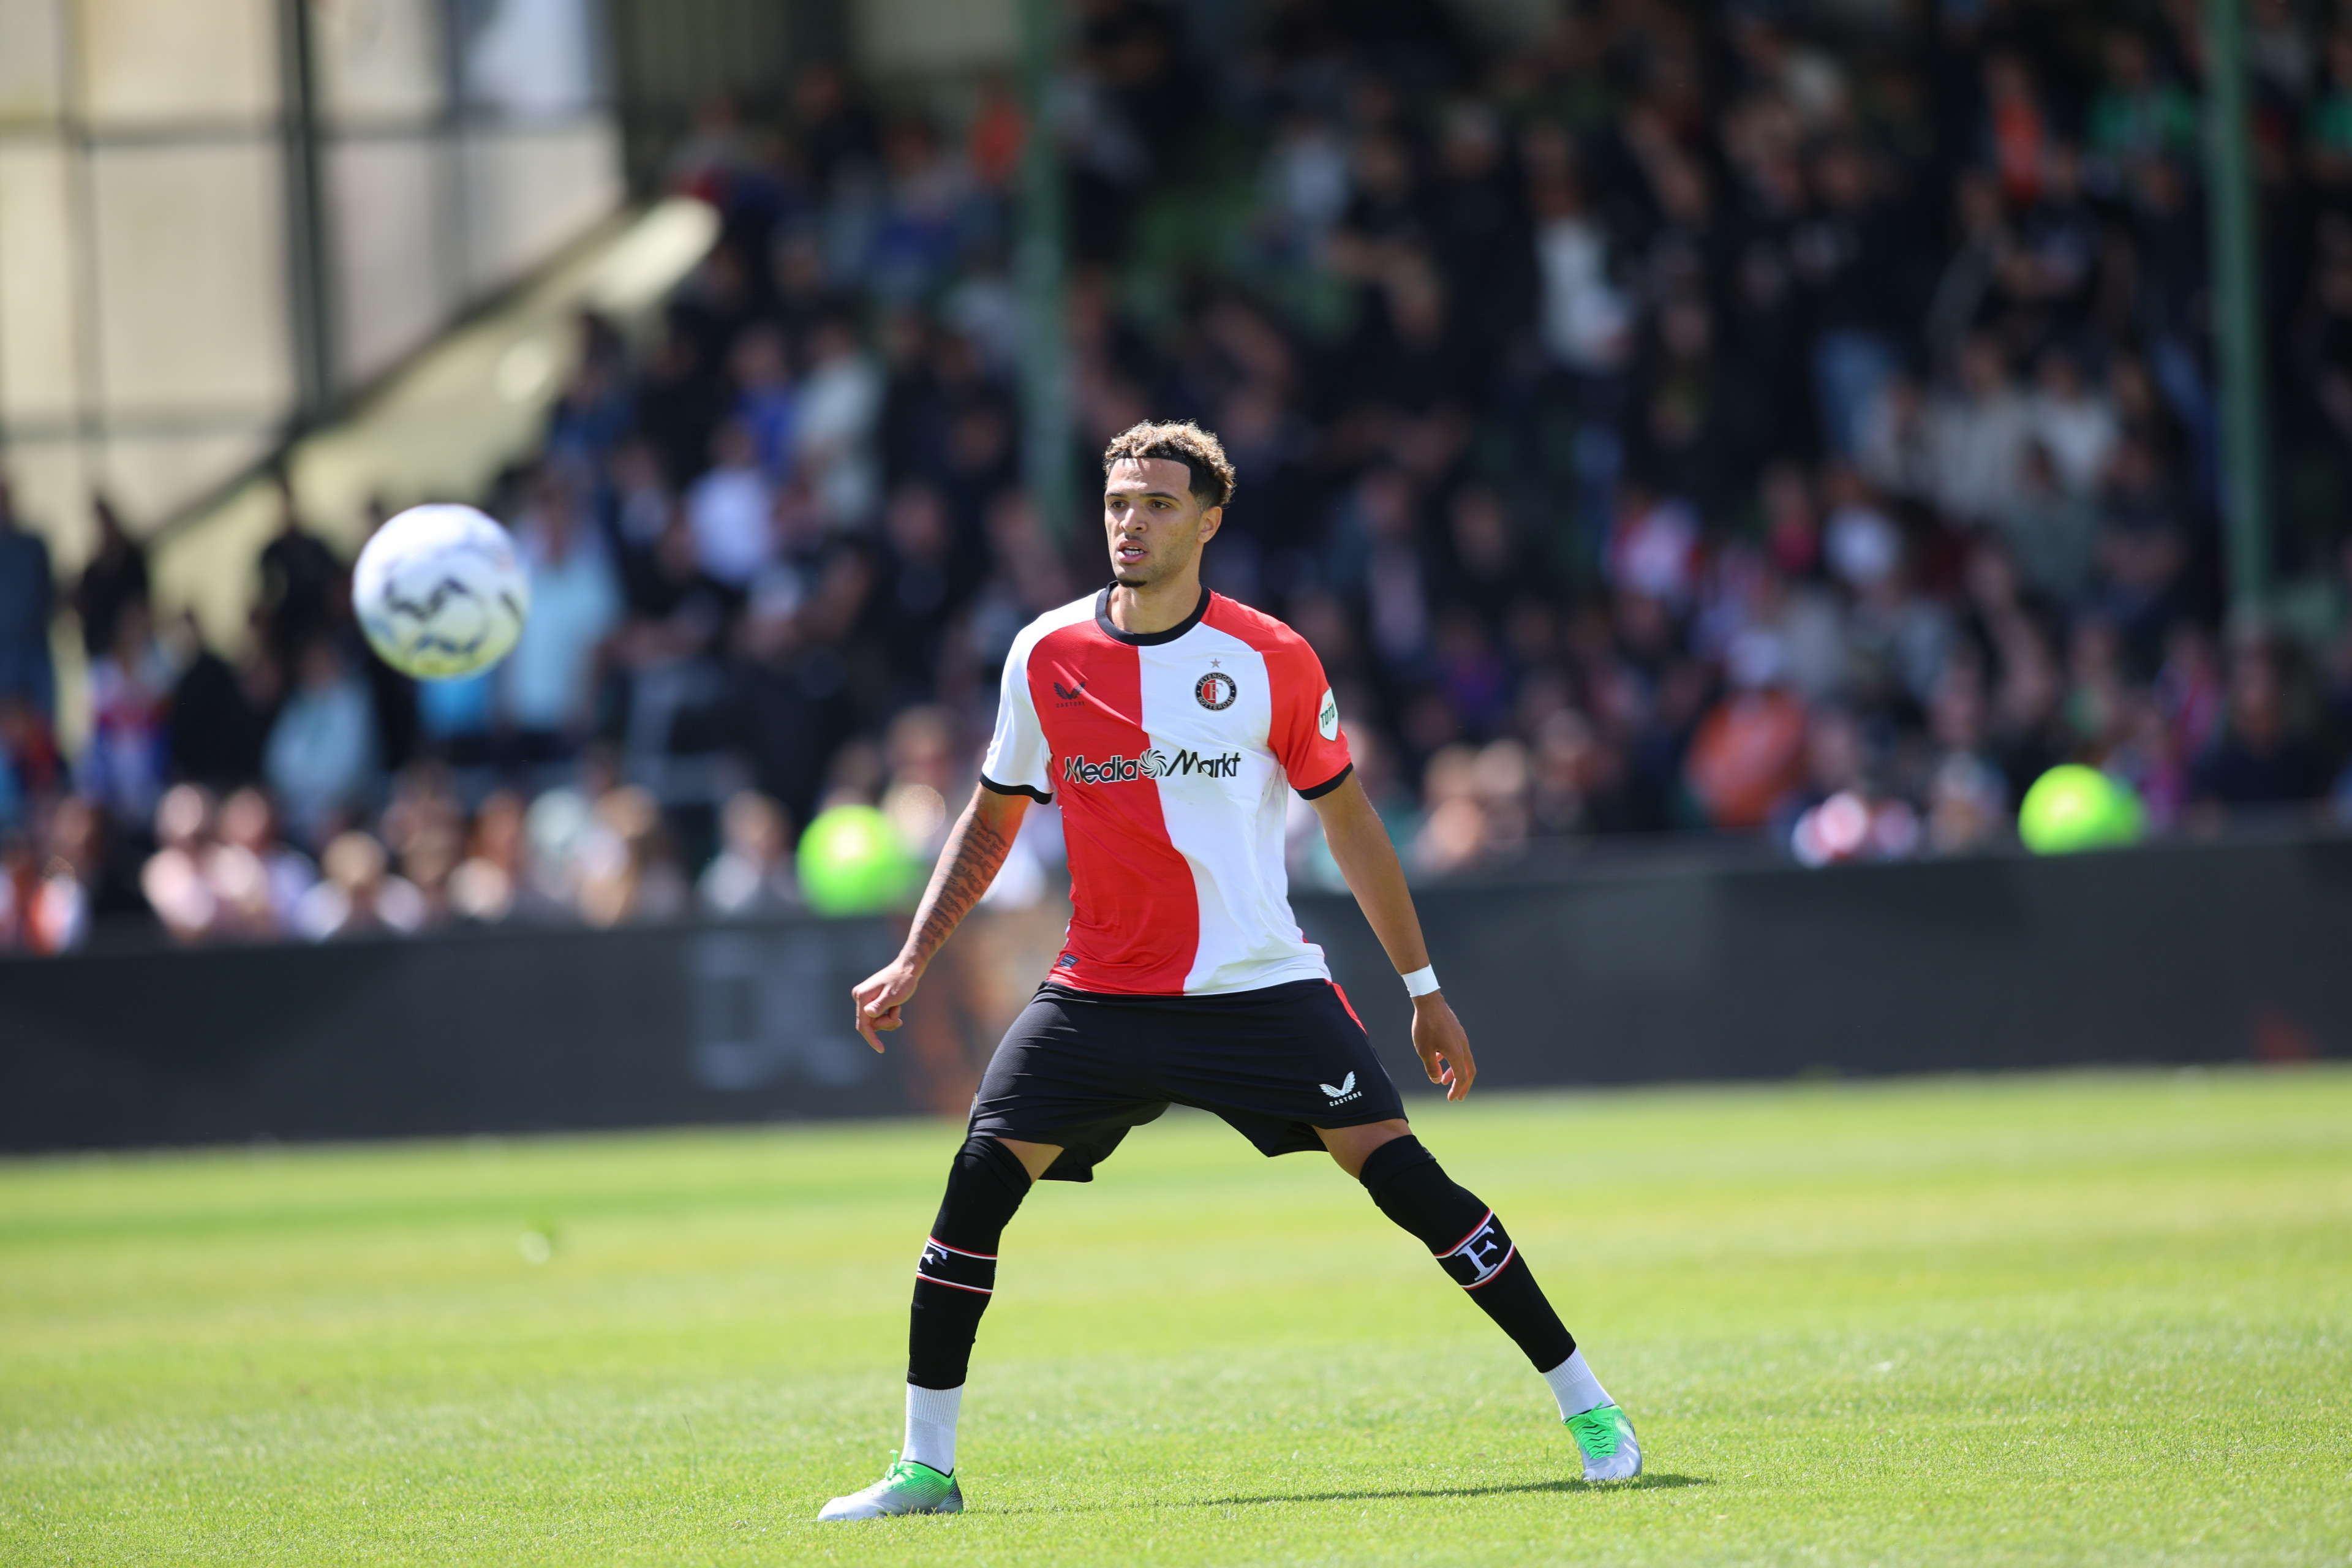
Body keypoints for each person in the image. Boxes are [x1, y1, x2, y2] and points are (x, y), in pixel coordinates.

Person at [816, 421, 1640, 1521]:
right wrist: (916, 953)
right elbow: (993, 816)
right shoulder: (1044, 653)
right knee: (972, 1189)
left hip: (1257, 988)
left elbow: (1351, 827)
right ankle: (926, 1468)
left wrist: (1423, 991)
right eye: (1117, 502)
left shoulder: (1271, 659)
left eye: (1157, 503)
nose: (1130, 522)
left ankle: (1589, 1405)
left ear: (1208, 521)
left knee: (1405, 1182)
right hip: (1099, 994)